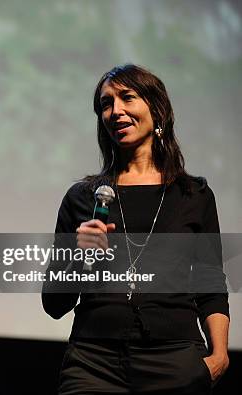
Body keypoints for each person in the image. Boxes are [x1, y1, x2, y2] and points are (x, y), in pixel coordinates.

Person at [42, 64, 229, 394]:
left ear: (156, 110)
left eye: (127, 98)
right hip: (93, 363)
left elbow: (210, 281)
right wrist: (77, 256)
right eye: (105, 104)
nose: (115, 111)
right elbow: (54, 305)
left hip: (173, 361)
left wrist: (218, 357)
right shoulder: (83, 198)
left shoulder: (193, 195)